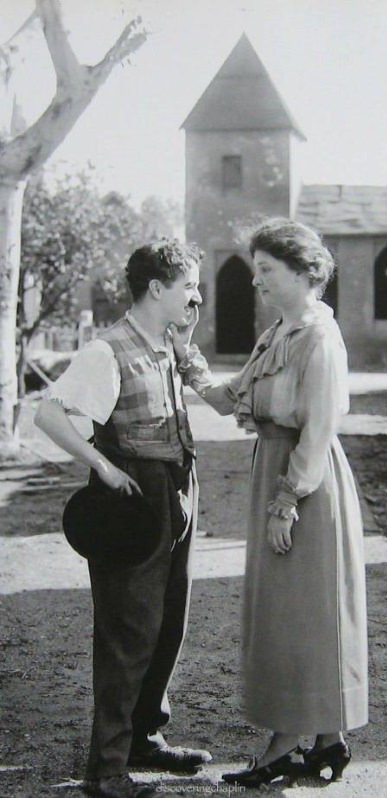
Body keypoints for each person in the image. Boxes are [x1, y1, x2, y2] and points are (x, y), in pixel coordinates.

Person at [173, 218, 368, 788]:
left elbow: (318, 428)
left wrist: (287, 502)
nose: (255, 281)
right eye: (254, 270)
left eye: (266, 270)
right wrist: (186, 360)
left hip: (306, 482)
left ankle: (285, 744)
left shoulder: (319, 338)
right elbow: (231, 399)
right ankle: (327, 740)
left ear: (305, 273)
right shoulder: (277, 333)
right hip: (275, 469)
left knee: (306, 611)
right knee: (290, 613)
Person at [35, 240, 212, 798]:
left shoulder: (165, 342)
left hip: (176, 488)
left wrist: (185, 343)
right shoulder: (106, 350)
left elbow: (201, 393)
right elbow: (48, 414)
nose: (196, 296)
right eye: (188, 286)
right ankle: (107, 770)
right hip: (133, 498)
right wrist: (104, 468)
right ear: (157, 288)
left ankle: (144, 737)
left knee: (168, 622)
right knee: (127, 630)